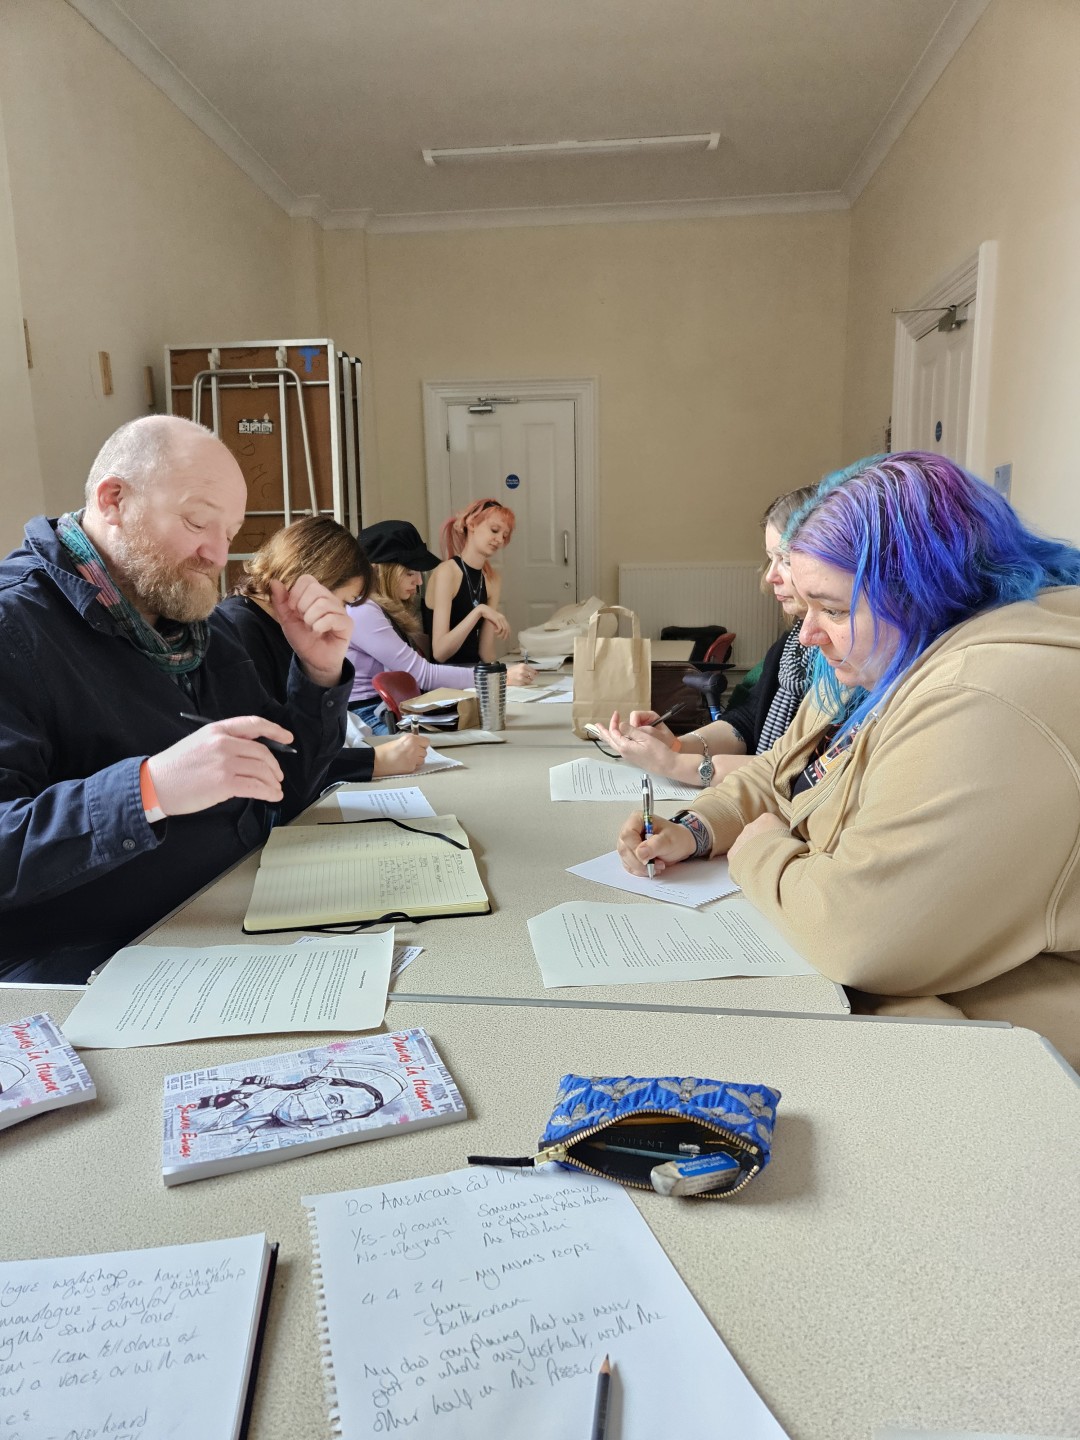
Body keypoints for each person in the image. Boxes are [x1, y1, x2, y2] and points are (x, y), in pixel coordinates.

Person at [617, 451, 1080, 1064]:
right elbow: (781, 770)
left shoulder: (979, 694)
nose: (808, 634)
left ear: (924, 591)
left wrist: (758, 847)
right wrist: (696, 828)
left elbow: (861, 935)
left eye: (832, 609)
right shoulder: (878, 657)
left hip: (1005, 1060)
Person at [0, 415, 354, 985]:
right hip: (91, 968)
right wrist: (149, 789)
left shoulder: (202, 627)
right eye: (196, 521)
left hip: (226, 921)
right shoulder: (14, 627)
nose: (217, 554)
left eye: (231, 534)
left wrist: (318, 673)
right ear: (113, 500)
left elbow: (281, 788)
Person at [595, 487, 817, 786]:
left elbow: (805, 773)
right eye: (770, 558)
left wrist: (678, 764)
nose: (770, 576)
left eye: (786, 559)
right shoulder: (791, 645)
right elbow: (746, 722)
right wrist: (676, 744)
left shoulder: (848, 667)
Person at [215, 516, 428, 779]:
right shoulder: (242, 629)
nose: (343, 614)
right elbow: (279, 757)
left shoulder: (277, 626)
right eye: (344, 602)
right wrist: (375, 761)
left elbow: (317, 743)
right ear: (316, 580)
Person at [347, 519, 533, 731]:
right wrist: (497, 677)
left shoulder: (378, 608)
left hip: (390, 707)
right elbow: (422, 674)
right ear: (379, 571)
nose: (419, 582)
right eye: (410, 573)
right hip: (369, 713)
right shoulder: (363, 611)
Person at [423, 498, 537, 678]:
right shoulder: (447, 572)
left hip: (477, 674)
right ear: (471, 524)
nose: (499, 540)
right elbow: (440, 653)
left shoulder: (492, 580)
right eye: (494, 530)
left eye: (504, 536)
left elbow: (485, 652)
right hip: (446, 678)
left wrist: (506, 673)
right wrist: (479, 611)